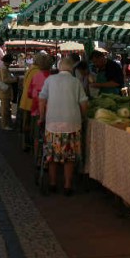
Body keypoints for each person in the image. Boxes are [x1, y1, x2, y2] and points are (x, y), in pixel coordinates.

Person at [39, 56, 88, 196]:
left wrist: (42, 117)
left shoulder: (49, 80)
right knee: (69, 156)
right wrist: (83, 117)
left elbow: (41, 99)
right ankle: (67, 185)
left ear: (60, 67)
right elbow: (84, 103)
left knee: (52, 155)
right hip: (72, 124)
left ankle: (53, 183)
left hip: (52, 124)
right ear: (71, 69)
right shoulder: (76, 82)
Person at [19, 52, 44, 151]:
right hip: (31, 101)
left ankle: (25, 144)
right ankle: (28, 144)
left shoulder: (31, 68)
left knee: (26, 123)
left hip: (26, 100)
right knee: (30, 125)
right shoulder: (37, 71)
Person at [0, 53, 17, 130]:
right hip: (5, 92)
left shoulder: (4, 67)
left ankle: (7, 123)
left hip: (5, 92)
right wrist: (15, 79)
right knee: (5, 110)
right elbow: (5, 80)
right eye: (10, 61)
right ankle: (4, 125)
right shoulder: (4, 68)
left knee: (6, 109)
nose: (11, 63)